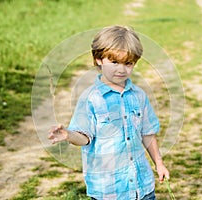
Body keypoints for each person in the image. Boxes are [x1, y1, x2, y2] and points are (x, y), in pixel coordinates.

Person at [48, 25, 169, 200]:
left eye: (128, 63)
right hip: (109, 190)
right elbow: (84, 137)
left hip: (142, 187)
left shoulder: (139, 96)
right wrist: (68, 135)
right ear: (98, 59)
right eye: (114, 62)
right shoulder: (91, 99)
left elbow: (148, 133)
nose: (121, 69)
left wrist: (159, 163)